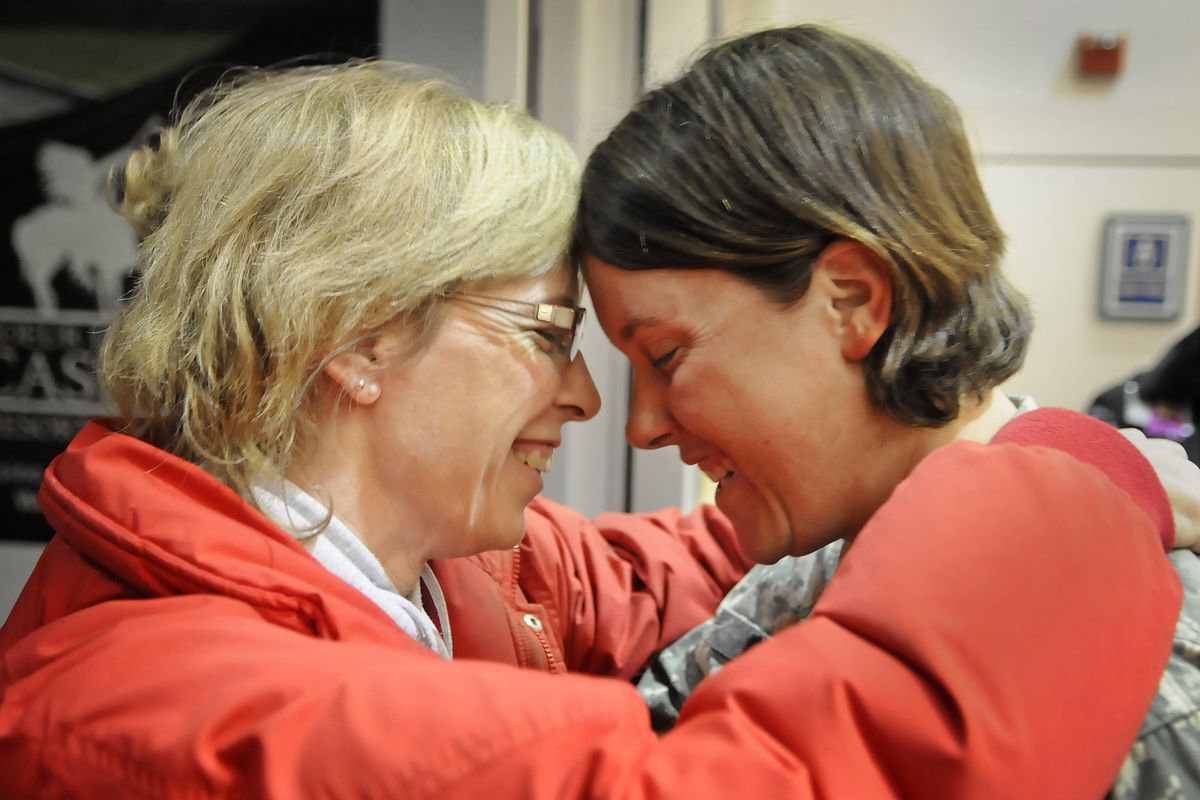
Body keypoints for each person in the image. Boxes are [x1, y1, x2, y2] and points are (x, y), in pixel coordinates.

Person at [0, 56, 1181, 800]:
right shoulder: (144, 709)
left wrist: (931, 445)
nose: (592, 400)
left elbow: (704, 556)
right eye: (553, 333)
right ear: (355, 334)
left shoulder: (451, 568)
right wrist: (1079, 484)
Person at [575, 23, 1199, 798]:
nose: (643, 426)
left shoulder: (1152, 678)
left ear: (852, 300)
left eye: (666, 357)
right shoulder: (822, 558)